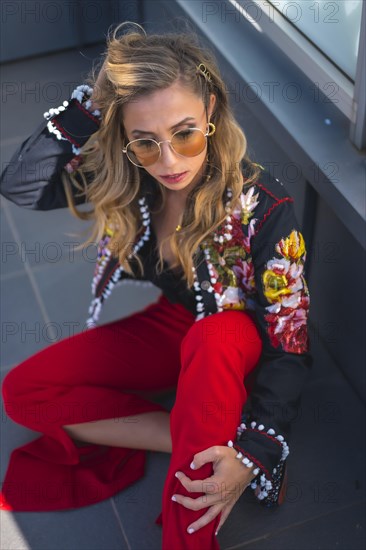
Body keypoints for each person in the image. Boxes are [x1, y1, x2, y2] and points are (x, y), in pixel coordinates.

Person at [0, 22, 312, 550]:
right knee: (23, 391)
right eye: (146, 142)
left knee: (213, 339)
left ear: (211, 110)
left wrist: (257, 449)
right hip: (175, 324)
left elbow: (291, 346)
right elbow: (21, 184)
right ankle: (197, 436)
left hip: (234, 338)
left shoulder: (265, 207)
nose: (170, 161)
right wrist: (92, 108)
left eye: (184, 133)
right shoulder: (132, 179)